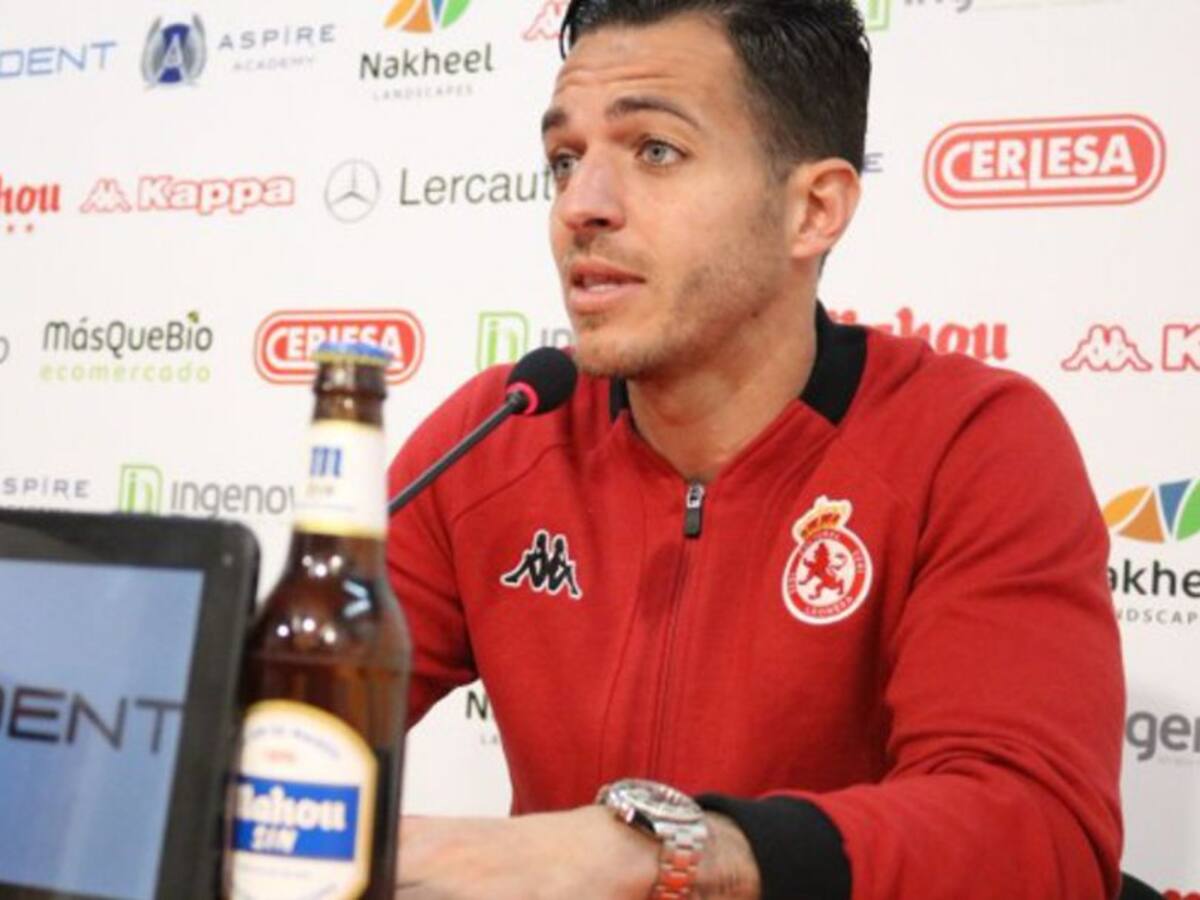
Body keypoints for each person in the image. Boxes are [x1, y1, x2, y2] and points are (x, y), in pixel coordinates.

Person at [386, 1, 1125, 897]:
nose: (581, 206)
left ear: (813, 209)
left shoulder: (970, 444)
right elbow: (289, 710)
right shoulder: (500, 435)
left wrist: (667, 853)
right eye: (565, 159)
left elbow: (1035, 834)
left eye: (655, 151)